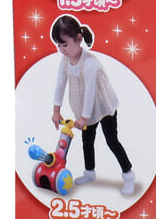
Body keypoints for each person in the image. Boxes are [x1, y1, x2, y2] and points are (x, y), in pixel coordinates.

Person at [50, 15, 136, 195]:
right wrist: (56, 111)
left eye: (65, 44)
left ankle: (128, 175)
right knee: (87, 141)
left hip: (104, 106)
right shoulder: (64, 61)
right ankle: (89, 172)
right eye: (58, 45)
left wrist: (84, 118)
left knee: (112, 141)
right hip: (85, 109)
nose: (62, 50)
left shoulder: (90, 63)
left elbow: (90, 92)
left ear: (78, 39)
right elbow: (59, 84)